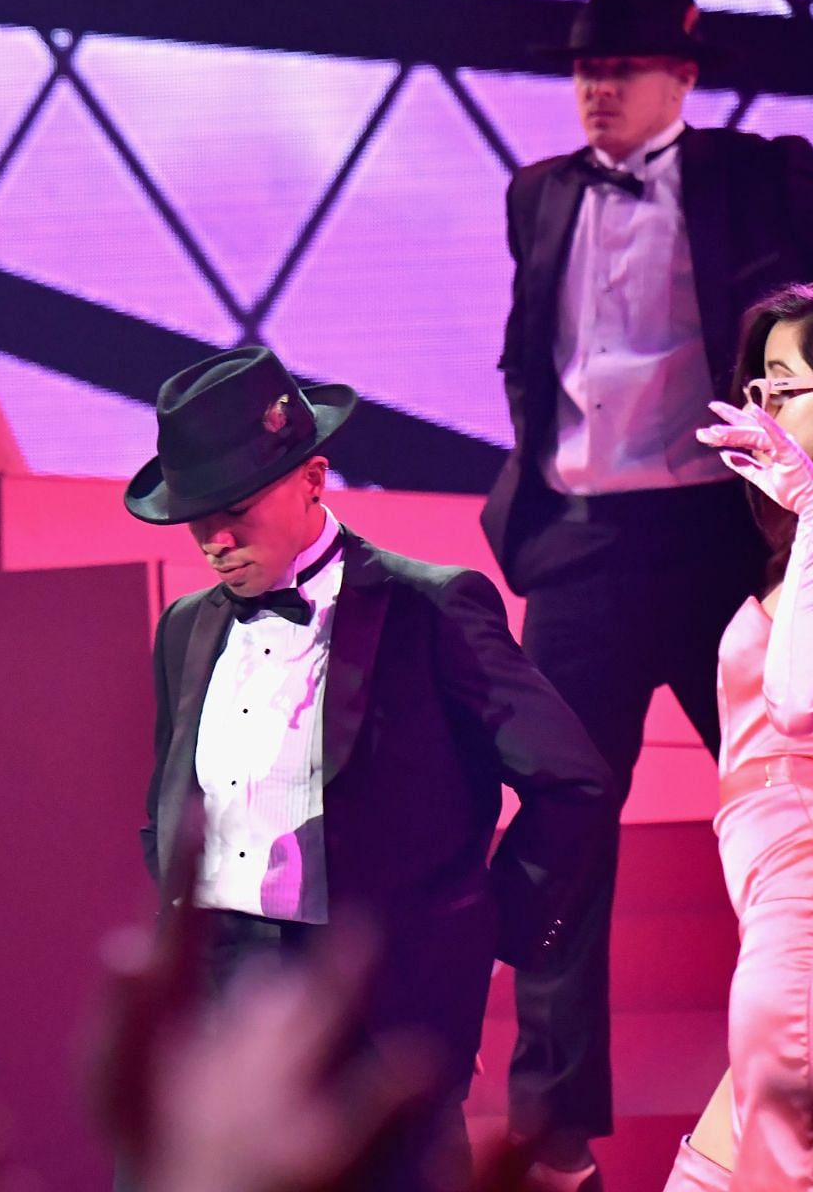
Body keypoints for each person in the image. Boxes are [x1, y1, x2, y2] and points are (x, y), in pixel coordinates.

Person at [479, 0, 813, 1181]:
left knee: (805, 790)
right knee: (563, 820)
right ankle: (554, 1121)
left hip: (713, 542)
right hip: (584, 549)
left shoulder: (754, 174)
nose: (598, 88)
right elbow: (531, 352)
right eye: (586, 71)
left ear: (683, 79)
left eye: (624, 69)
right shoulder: (537, 192)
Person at [125, 347, 619, 1192]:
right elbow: (174, 798)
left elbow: (572, 781)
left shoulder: (432, 607)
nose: (213, 539)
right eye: (195, 517)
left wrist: (483, 931)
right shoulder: (184, 629)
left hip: (371, 994)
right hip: (212, 984)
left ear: (314, 477)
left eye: (234, 509)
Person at [664, 272, 813, 1191]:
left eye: (787, 388)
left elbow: (799, 707)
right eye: (759, 388)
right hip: (787, 931)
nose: (762, 412)